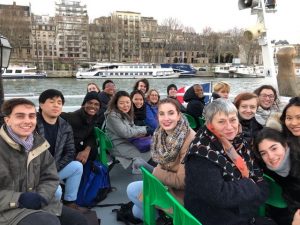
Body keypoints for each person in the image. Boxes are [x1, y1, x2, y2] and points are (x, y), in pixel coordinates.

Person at [184, 98, 275, 225]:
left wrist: (251, 191)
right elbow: (220, 195)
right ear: (210, 124)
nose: (229, 127)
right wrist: (250, 186)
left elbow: (260, 180)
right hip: (213, 217)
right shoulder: (201, 153)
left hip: (240, 211)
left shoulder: (239, 142)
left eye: (233, 120)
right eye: (221, 122)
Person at [0, 98, 87, 225]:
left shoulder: (38, 144)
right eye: (20, 116)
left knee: (78, 220)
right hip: (7, 210)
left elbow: (50, 177)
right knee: (48, 222)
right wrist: (18, 199)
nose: (27, 121)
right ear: (7, 120)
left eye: (31, 116)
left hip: (38, 203)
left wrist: (42, 196)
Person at [126, 98, 196, 220]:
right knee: (136, 211)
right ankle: (162, 217)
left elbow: (182, 181)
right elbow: (163, 164)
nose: (166, 118)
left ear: (179, 115)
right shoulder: (161, 134)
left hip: (184, 196)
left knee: (132, 190)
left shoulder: (190, 140)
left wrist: (154, 172)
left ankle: (164, 218)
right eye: (161, 114)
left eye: (171, 113)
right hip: (168, 186)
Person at [37, 89, 86, 212]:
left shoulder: (65, 126)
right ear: (41, 104)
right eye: (51, 101)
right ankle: (51, 214)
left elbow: (70, 152)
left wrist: (54, 169)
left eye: (59, 102)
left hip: (54, 169)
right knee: (56, 191)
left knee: (77, 166)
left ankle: (70, 202)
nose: (56, 105)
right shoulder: (32, 124)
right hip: (35, 173)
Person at [254, 127, 300, 225]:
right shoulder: (263, 168)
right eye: (264, 153)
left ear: (285, 145)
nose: (270, 156)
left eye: (274, 148)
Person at [105, 90, 152, 170]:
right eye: (121, 103)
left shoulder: (123, 113)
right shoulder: (112, 116)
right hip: (117, 145)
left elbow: (132, 126)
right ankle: (146, 171)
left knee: (150, 146)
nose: (125, 105)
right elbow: (126, 133)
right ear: (116, 103)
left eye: (127, 102)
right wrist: (145, 130)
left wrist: (146, 128)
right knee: (147, 151)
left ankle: (142, 167)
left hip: (123, 141)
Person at [61, 91, 100, 164]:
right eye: (90, 103)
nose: (93, 106)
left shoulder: (93, 118)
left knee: (93, 151)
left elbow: (91, 136)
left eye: (96, 104)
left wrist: (87, 150)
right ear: (83, 104)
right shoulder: (72, 117)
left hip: (76, 148)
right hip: (64, 151)